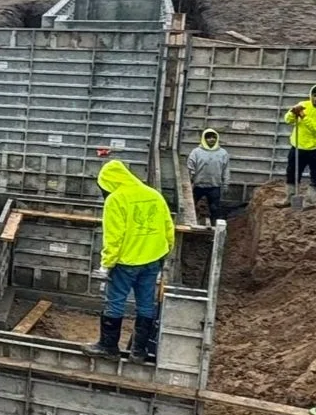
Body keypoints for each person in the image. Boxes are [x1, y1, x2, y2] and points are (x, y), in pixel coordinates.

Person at [86, 160, 174, 363]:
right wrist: (164, 253)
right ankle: (139, 352)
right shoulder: (154, 195)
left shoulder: (116, 200)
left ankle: (108, 347)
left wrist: (107, 264)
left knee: (115, 303)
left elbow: (113, 237)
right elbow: (168, 228)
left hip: (126, 262)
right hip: (153, 259)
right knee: (145, 304)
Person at [276, 82, 316, 210]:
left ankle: (310, 201)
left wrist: (303, 117)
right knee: (292, 172)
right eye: (314, 95)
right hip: (299, 144)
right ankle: (290, 198)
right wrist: (293, 113)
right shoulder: (303, 105)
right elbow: (288, 120)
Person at [186, 129, 230, 220]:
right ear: (204, 139)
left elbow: (226, 170)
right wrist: (190, 180)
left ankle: (214, 229)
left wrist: (225, 184)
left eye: (214, 137)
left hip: (214, 187)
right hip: (198, 186)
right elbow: (190, 167)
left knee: (214, 209)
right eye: (209, 137)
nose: (211, 139)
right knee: (191, 208)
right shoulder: (196, 152)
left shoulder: (223, 153)